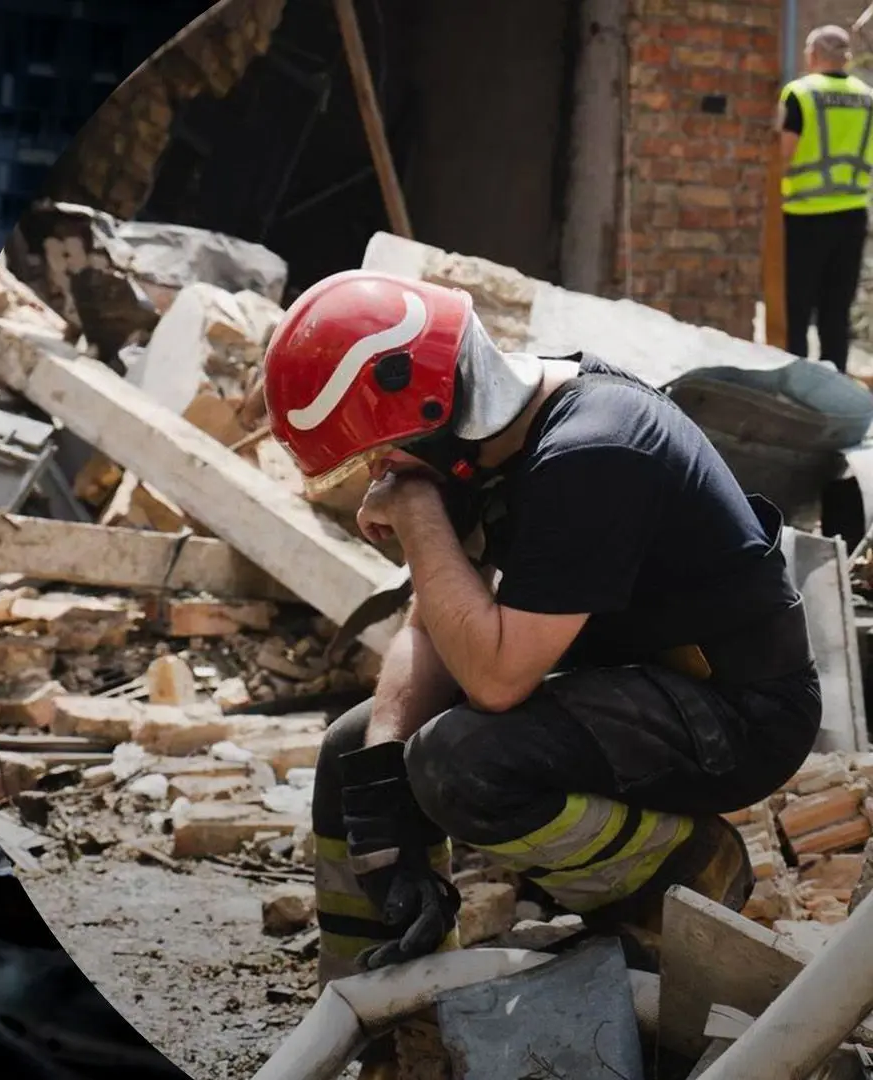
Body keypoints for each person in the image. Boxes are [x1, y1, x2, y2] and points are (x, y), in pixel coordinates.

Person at [262, 272, 819, 1018]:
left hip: (738, 714)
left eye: (382, 454)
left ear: (427, 414)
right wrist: (379, 805)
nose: (377, 479)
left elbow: (495, 681)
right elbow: (432, 627)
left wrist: (420, 512)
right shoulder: (487, 440)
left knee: (461, 762)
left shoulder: (593, 449)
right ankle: (384, 1014)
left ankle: (683, 871)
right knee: (355, 749)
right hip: (635, 687)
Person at [780, 24, 873, 371]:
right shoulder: (867, 96)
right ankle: (833, 386)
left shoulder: (801, 94)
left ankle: (795, 383)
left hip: (803, 214)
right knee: (837, 310)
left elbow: (782, 155)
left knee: (798, 310)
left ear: (814, 54)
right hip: (851, 215)